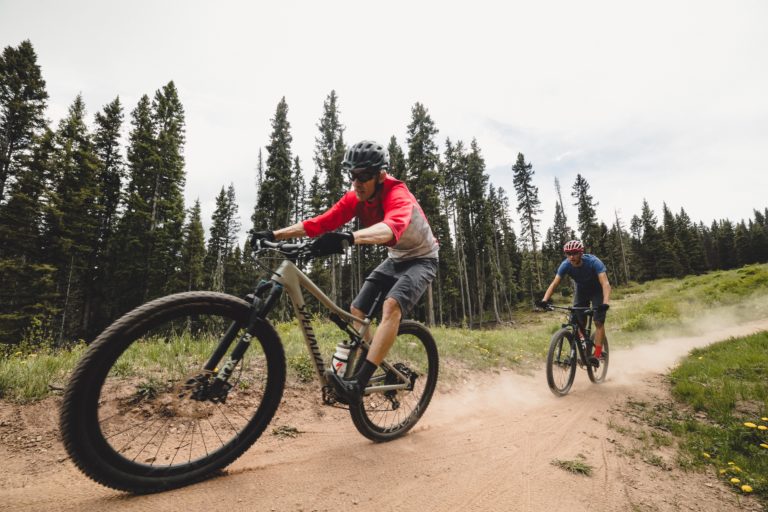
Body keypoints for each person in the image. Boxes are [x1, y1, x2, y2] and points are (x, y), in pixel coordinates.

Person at [251, 140, 439, 404]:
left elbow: (390, 228)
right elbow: (321, 223)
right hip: (396, 257)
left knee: (391, 306)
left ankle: (359, 382)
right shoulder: (356, 197)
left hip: (422, 259)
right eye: (353, 175)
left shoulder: (397, 194)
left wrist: (349, 237)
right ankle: (372, 364)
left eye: (364, 176)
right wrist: (274, 234)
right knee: (358, 311)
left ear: (381, 175)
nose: (357, 182)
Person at [537, 240, 611, 366]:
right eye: (568, 254)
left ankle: (597, 354)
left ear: (581, 253)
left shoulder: (593, 262)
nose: (571, 256)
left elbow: (605, 283)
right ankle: (583, 346)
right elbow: (554, 283)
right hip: (581, 291)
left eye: (574, 253)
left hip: (597, 291)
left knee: (598, 321)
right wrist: (545, 300)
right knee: (578, 321)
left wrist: (605, 303)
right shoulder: (566, 265)